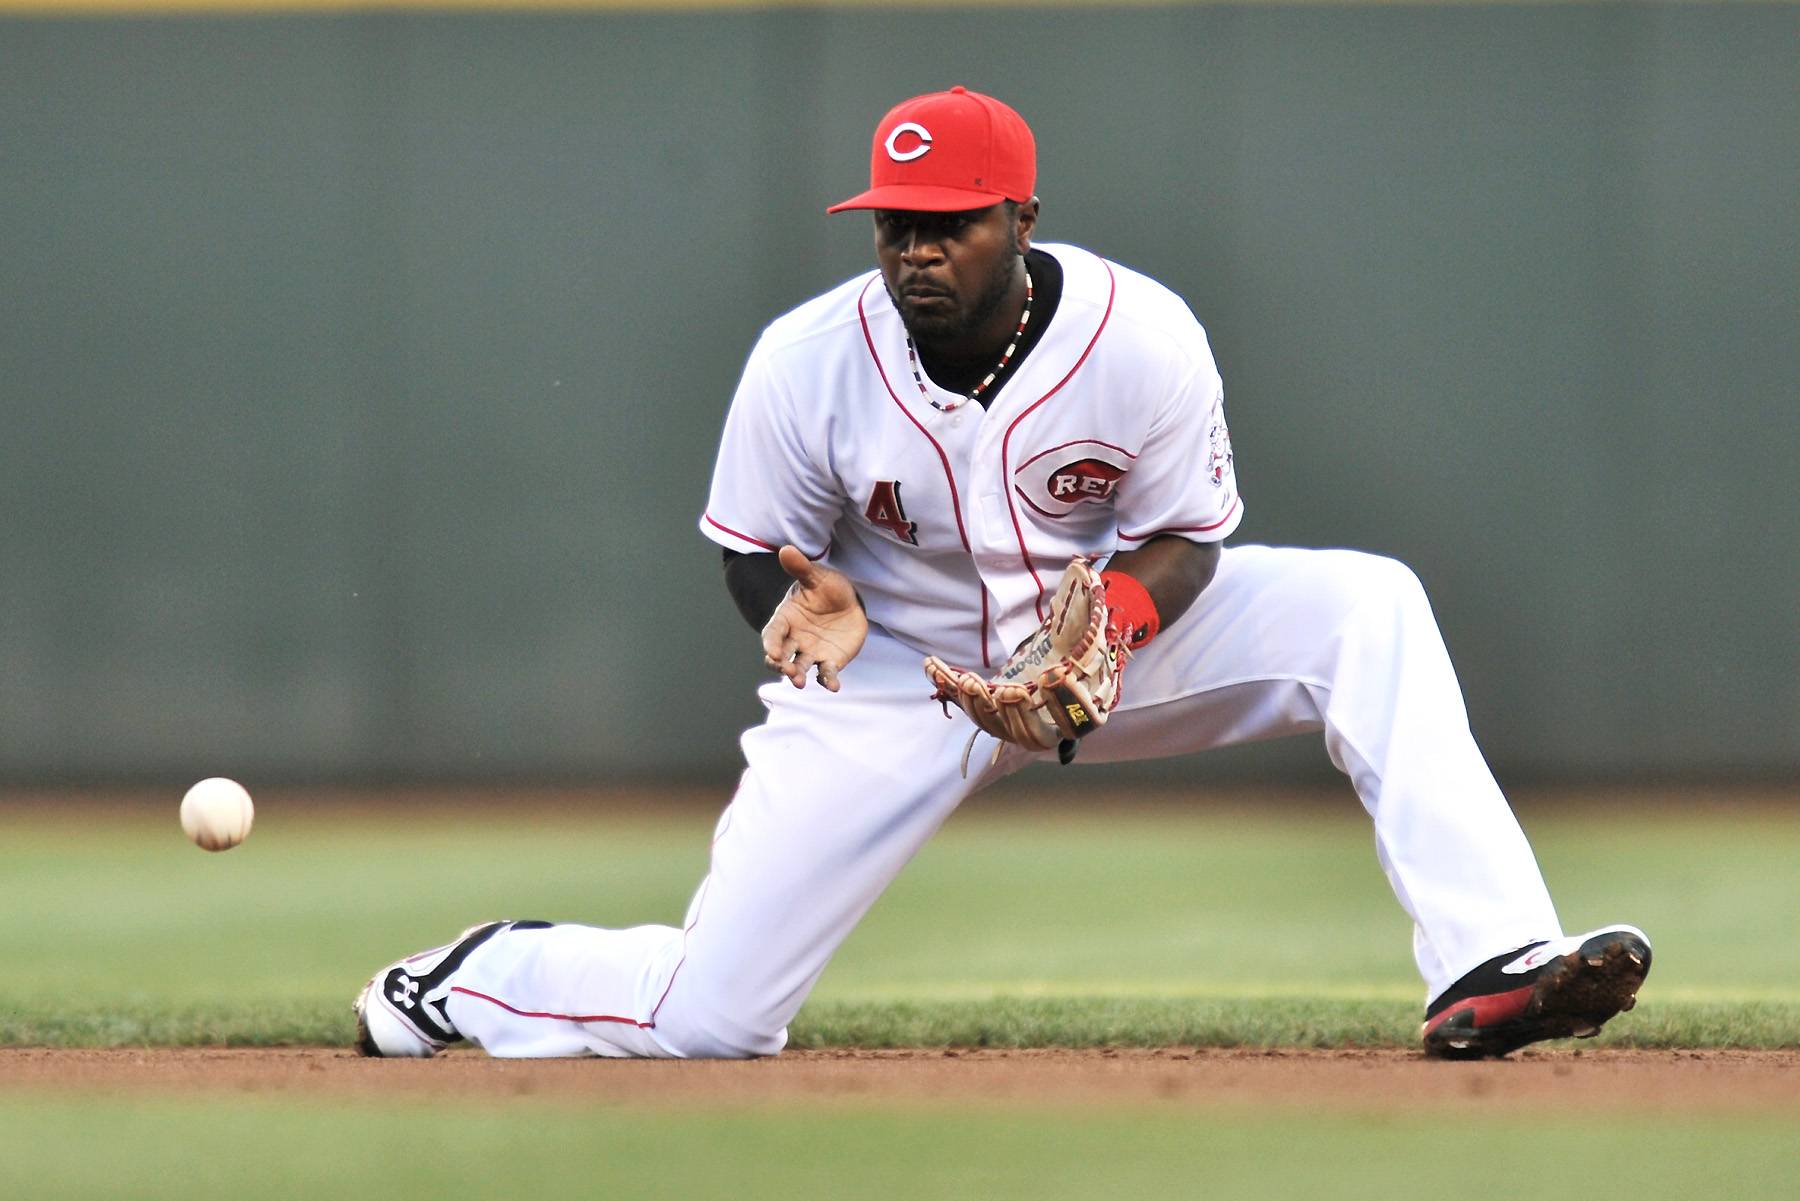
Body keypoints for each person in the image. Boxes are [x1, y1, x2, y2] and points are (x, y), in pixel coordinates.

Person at [354, 87, 1649, 1062]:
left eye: (951, 224)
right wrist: (795, 604)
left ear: (1023, 219)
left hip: (1098, 648)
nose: (916, 250)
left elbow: (1191, 536)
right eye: (896, 225)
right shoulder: (807, 361)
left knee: (1370, 607)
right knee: (714, 1019)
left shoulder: (1140, 338)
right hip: (891, 680)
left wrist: (1113, 627)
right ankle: (471, 977)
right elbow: (750, 544)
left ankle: (1492, 960)